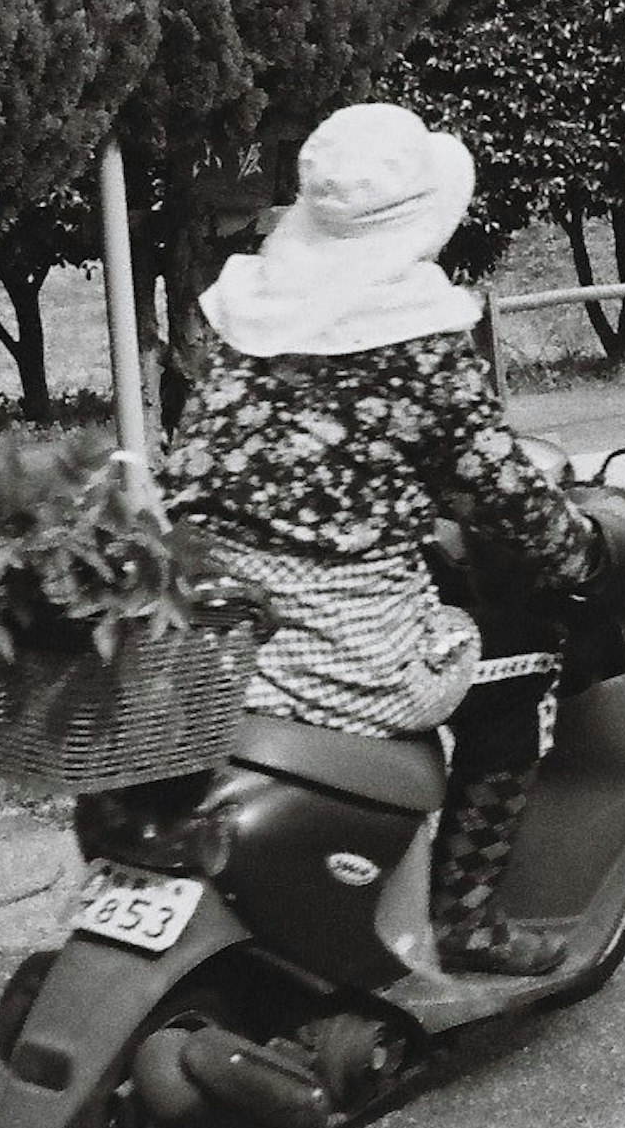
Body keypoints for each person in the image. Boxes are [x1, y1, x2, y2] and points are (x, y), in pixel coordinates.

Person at [156, 103, 598, 974]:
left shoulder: (244, 315)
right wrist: (578, 553)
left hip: (211, 614)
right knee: (517, 673)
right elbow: (500, 489)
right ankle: (465, 917)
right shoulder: (420, 342)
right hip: (342, 642)